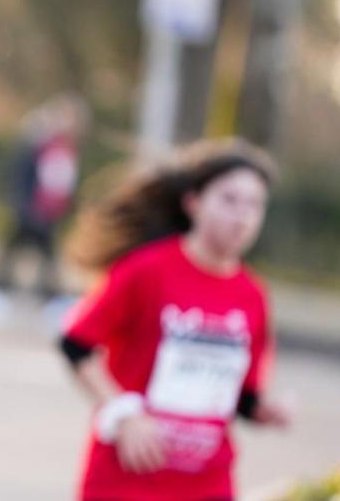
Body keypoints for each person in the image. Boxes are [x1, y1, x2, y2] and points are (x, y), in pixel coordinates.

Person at [58, 139, 291, 501]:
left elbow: (243, 398)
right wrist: (124, 413)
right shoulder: (146, 270)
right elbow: (76, 344)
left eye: (254, 205)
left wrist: (267, 410)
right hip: (128, 479)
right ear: (193, 203)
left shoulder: (253, 295)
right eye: (229, 200)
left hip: (206, 485)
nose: (242, 216)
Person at [0, 93, 87, 300]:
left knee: (44, 257)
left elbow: (63, 183)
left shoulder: (67, 148)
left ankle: (46, 297)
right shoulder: (38, 143)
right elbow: (19, 174)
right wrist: (22, 205)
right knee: (14, 252)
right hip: (29, 209)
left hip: (48, 213)